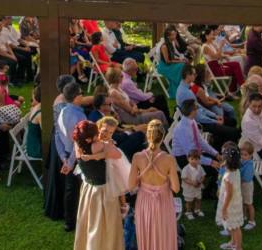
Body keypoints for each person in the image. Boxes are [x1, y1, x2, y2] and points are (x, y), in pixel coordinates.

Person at [128, 119, 180, 250]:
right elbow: (176, 188)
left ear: (147, 135)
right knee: (164, 235)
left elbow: (130, 186)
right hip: (163, 202)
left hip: (144, 202)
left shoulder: (137, 157)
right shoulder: (169, 159)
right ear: (162, 137)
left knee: (146, 233)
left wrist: (141, 177)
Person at [72, 120, 122, 250]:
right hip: (103, 191)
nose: (98, 134)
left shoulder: (76, 145)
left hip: (88, 189)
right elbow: (118, 155)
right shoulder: (100, 146)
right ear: (89, 138)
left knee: (89, 222)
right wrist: (105, 150)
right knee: (106, 226)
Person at [45, 81, 87, 231]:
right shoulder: (78, 116)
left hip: (67, 156)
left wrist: (63, 157)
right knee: (80, 188)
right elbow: (77, 142)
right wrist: (69, 162)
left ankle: (69, 222)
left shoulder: (62, 111)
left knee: (71, 189)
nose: (83, 95)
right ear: (76, 97)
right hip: (77, 157)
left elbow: (57, 136)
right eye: (81, 93)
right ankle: (78, 220)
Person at [177, 65, 239, 149]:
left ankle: (223, 144)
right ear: (188, 75)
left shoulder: (186, 88)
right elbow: (199, 118)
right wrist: (214, 121)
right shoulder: (186, 93)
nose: (195, 76)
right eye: (194, 74)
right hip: (201, 124)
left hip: (203, 118)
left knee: (232, 121)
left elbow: (199, 107)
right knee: (234, 132)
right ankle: (228, 149)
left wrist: (215, 116)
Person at [172, 99, 222, 197]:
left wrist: (215, 153)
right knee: (217, 168)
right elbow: (191, 154)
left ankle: (210, 188)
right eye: (196, 108)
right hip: (185, 158)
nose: (198, 110)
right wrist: (210, 162)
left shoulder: (191, 121)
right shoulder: (183, 129)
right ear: (192, 111)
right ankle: (209, 192)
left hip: (193, 153)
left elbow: (200, 141)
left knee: (218, 161)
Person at [216, 142, 244, 250]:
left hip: (230, 205)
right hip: (236, 202)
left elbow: (229, 194)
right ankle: (233, 242)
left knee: (235, 227)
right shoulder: (236, 171)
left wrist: (224, 208)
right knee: (232, 226)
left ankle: (238, 247)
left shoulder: (228, 176)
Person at [202, 28, 246, 92]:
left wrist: (224, 56)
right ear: (206, 36)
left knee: (236, 64)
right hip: (214, 68)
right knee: (234, 69)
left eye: (213, 34)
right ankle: (241, 86)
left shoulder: (212, 44)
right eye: (212, 35)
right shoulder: (205, 46)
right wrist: (220, 46)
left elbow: (219, 55)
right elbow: (216, 56)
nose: (213, 36)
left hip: (218, 64)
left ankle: (236, 88)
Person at [156, 25, 189, 100]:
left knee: (183, 64)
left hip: (169, 64)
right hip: (164, 67)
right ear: (168, 36)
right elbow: (167, 61)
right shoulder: (164, 46)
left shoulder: (171, 43)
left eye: (175, 34)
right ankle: (178, 90)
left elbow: (173, 57)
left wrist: (182, 59)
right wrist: (180, 61)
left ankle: (181, 89)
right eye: (173, 35)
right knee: (181, 66)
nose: (175, 36)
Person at [237, 141, 257, 231]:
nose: (243, 157)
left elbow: (246, 178)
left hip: (247, 185)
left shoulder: (249, 164)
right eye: (241, 154)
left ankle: (252, 221)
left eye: (245, 155)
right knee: (242, 202)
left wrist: (237, 180)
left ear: (251, 155)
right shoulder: (241, 162)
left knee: (248, 203)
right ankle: (243, 216)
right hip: (242, 184)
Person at [181, 149, 205, 219]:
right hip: (189, 188)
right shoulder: (186, 169)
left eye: (196, 159)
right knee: (189, 201)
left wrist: (200, 181)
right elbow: (184, 178)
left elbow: (203, 175)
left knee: (198, 199)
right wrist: (192, 183)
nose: (194, 161)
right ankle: (188, 212)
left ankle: (197, 210)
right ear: (188, 159)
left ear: (199, 160)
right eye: (192, 159)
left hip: (197, 187)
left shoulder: (200, 167)